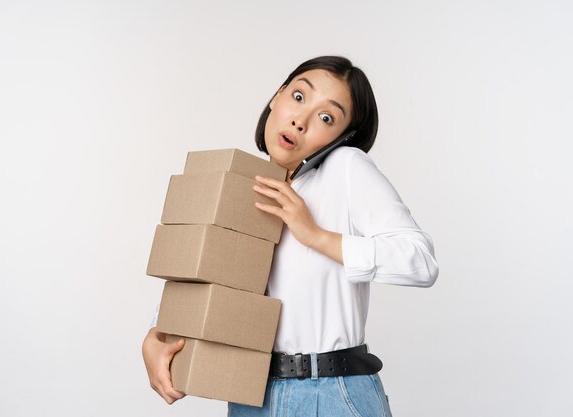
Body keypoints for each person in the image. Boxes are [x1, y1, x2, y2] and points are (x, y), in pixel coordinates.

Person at [142, 56, 439, 417]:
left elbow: (421, 261)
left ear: (342, 136)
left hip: (330, 393)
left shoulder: (346, 168)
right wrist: (158, 334)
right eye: (299, 97)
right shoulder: (249, 185)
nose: (301, 120)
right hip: (252, 394)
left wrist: (314, 234)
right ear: (277, 96)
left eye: (326, 117)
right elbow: (210, 282)